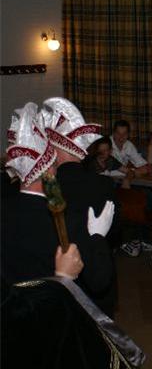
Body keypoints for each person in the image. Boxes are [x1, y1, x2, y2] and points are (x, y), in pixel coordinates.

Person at [42, 97, 119, 315]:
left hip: (60, 276)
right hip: (99, 275)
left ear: (56, 150)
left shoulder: (48, 187)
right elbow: (115, 231)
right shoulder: (104, 184)